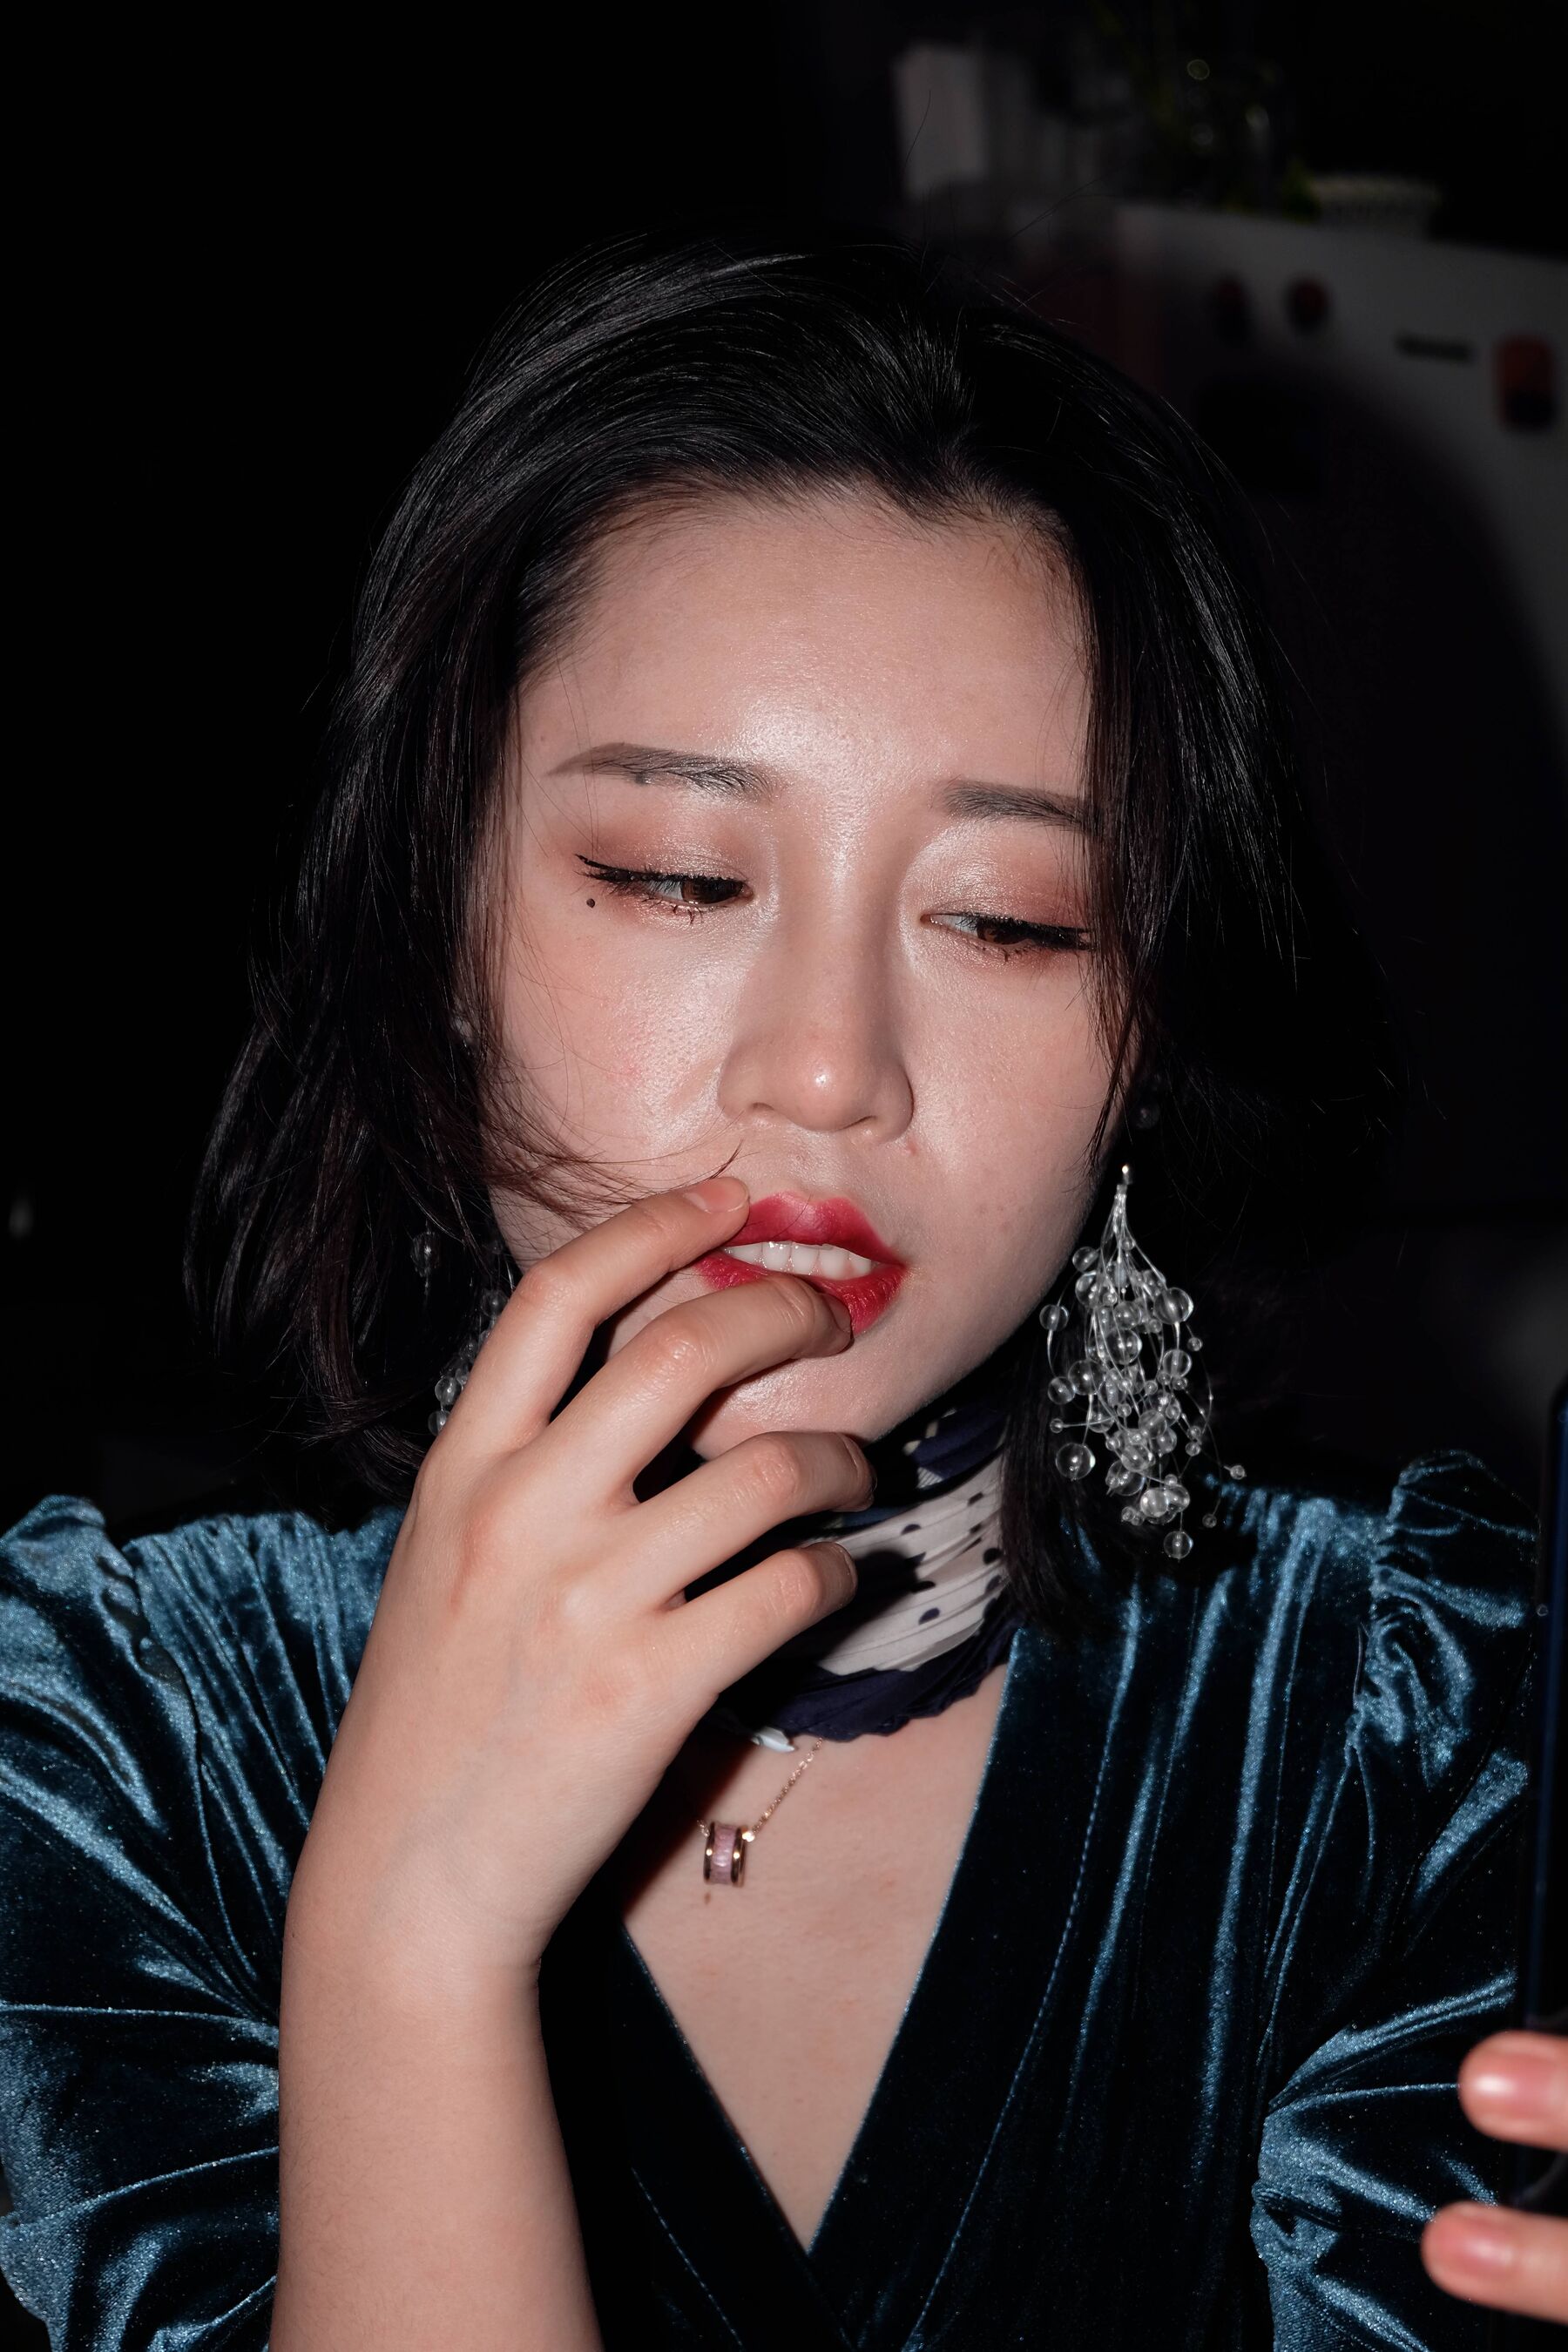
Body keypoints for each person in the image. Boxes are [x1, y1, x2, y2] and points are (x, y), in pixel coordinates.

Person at [1, 226, 1562, 2349]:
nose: (828, 1069)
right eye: (677, 877)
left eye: (1009, 919)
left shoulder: (1430, 1720)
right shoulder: (102, 1748)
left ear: (1149, 1040)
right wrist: (408, 1945)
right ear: (438, 934)